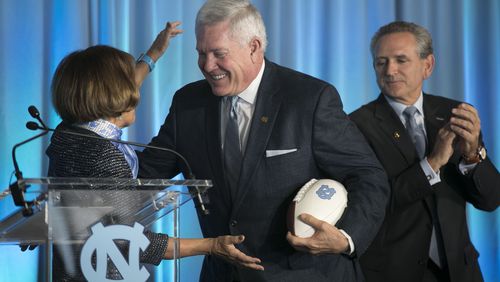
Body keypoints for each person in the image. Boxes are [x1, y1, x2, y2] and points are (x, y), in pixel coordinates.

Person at [138, 1, 389, 281]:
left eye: (219, 54)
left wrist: (345, 238)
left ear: (254, 47)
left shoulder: (309, 99)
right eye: (201, 54)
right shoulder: (188, 104)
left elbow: (368, 176)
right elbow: (142, 175)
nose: (208, 66)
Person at [46, 21, 262, 280]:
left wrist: (153, 54)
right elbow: (131, 241)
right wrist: (211, 246)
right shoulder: (107, 158)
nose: (135, 92)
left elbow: (116, 90)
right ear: (115, 96)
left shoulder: (69, 133)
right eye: (128, 87)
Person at [349, 21, 500, 282]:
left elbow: (490, 200)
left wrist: (473, 155)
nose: (390, 70)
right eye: (381, 62)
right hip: (392, 274)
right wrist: (432, 163)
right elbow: (371, 205)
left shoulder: (456, 114)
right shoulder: (354, 126)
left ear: (427, 65)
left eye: (401, 60)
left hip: (460, 272)